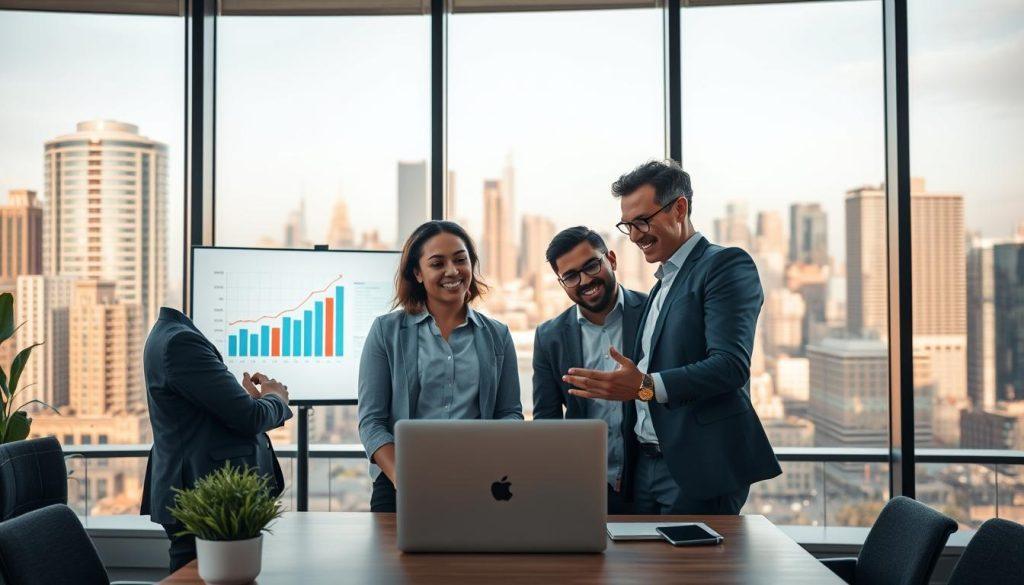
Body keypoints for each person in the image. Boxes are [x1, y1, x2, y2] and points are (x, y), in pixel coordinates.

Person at [563, 160, 781, 515]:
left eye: (642, 221)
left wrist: (644, 386)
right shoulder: (662, 283)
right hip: (643, 468)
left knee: (692, 556)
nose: (635, 236)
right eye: (627, 226)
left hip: (697, 467)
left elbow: (730, 366)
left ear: (679, 208)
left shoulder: (725, 265)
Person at [358, 220, 524, 513]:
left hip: (479, 479)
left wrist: (494, 457)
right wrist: (402, 477)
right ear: (417, 273)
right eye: (437, 263)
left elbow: (509, 412)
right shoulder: (386, 331)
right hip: (400, 480)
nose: (452, 271)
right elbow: (372, 421)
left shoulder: (497, 335)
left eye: (460, 260)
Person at [141, 307, 292, 572]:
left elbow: (208, 413)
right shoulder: (181, 342)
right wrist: (276, 398)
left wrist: (247, 401)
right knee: (195, 575)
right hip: (200, 492)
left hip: (196, 487)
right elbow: (250, 418)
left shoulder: (168, 335)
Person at [532, 226, 647, 514]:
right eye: (571, 276)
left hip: (651, 480)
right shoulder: (549, 336)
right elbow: (547, 420)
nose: (584, 280)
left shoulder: (651, 312)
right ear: (562, 283)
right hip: (584, 485)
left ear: (611, 259)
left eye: (591, 266)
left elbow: (670, 390)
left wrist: (640, 389)